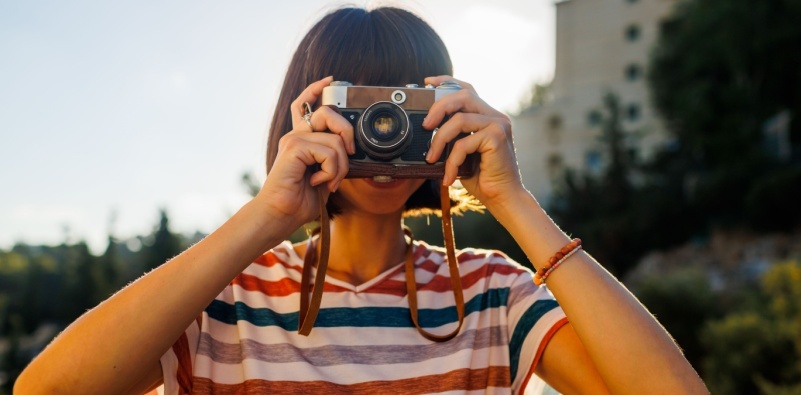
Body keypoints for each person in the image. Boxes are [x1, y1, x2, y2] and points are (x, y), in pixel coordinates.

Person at [15, 6, 707, 394]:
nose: (384, 134)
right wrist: (268, 216)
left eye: (406, 108)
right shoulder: (222, 301)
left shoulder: (492, 294)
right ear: (304, 115)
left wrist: (512, 199)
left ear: (448, 111)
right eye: (362, 109)